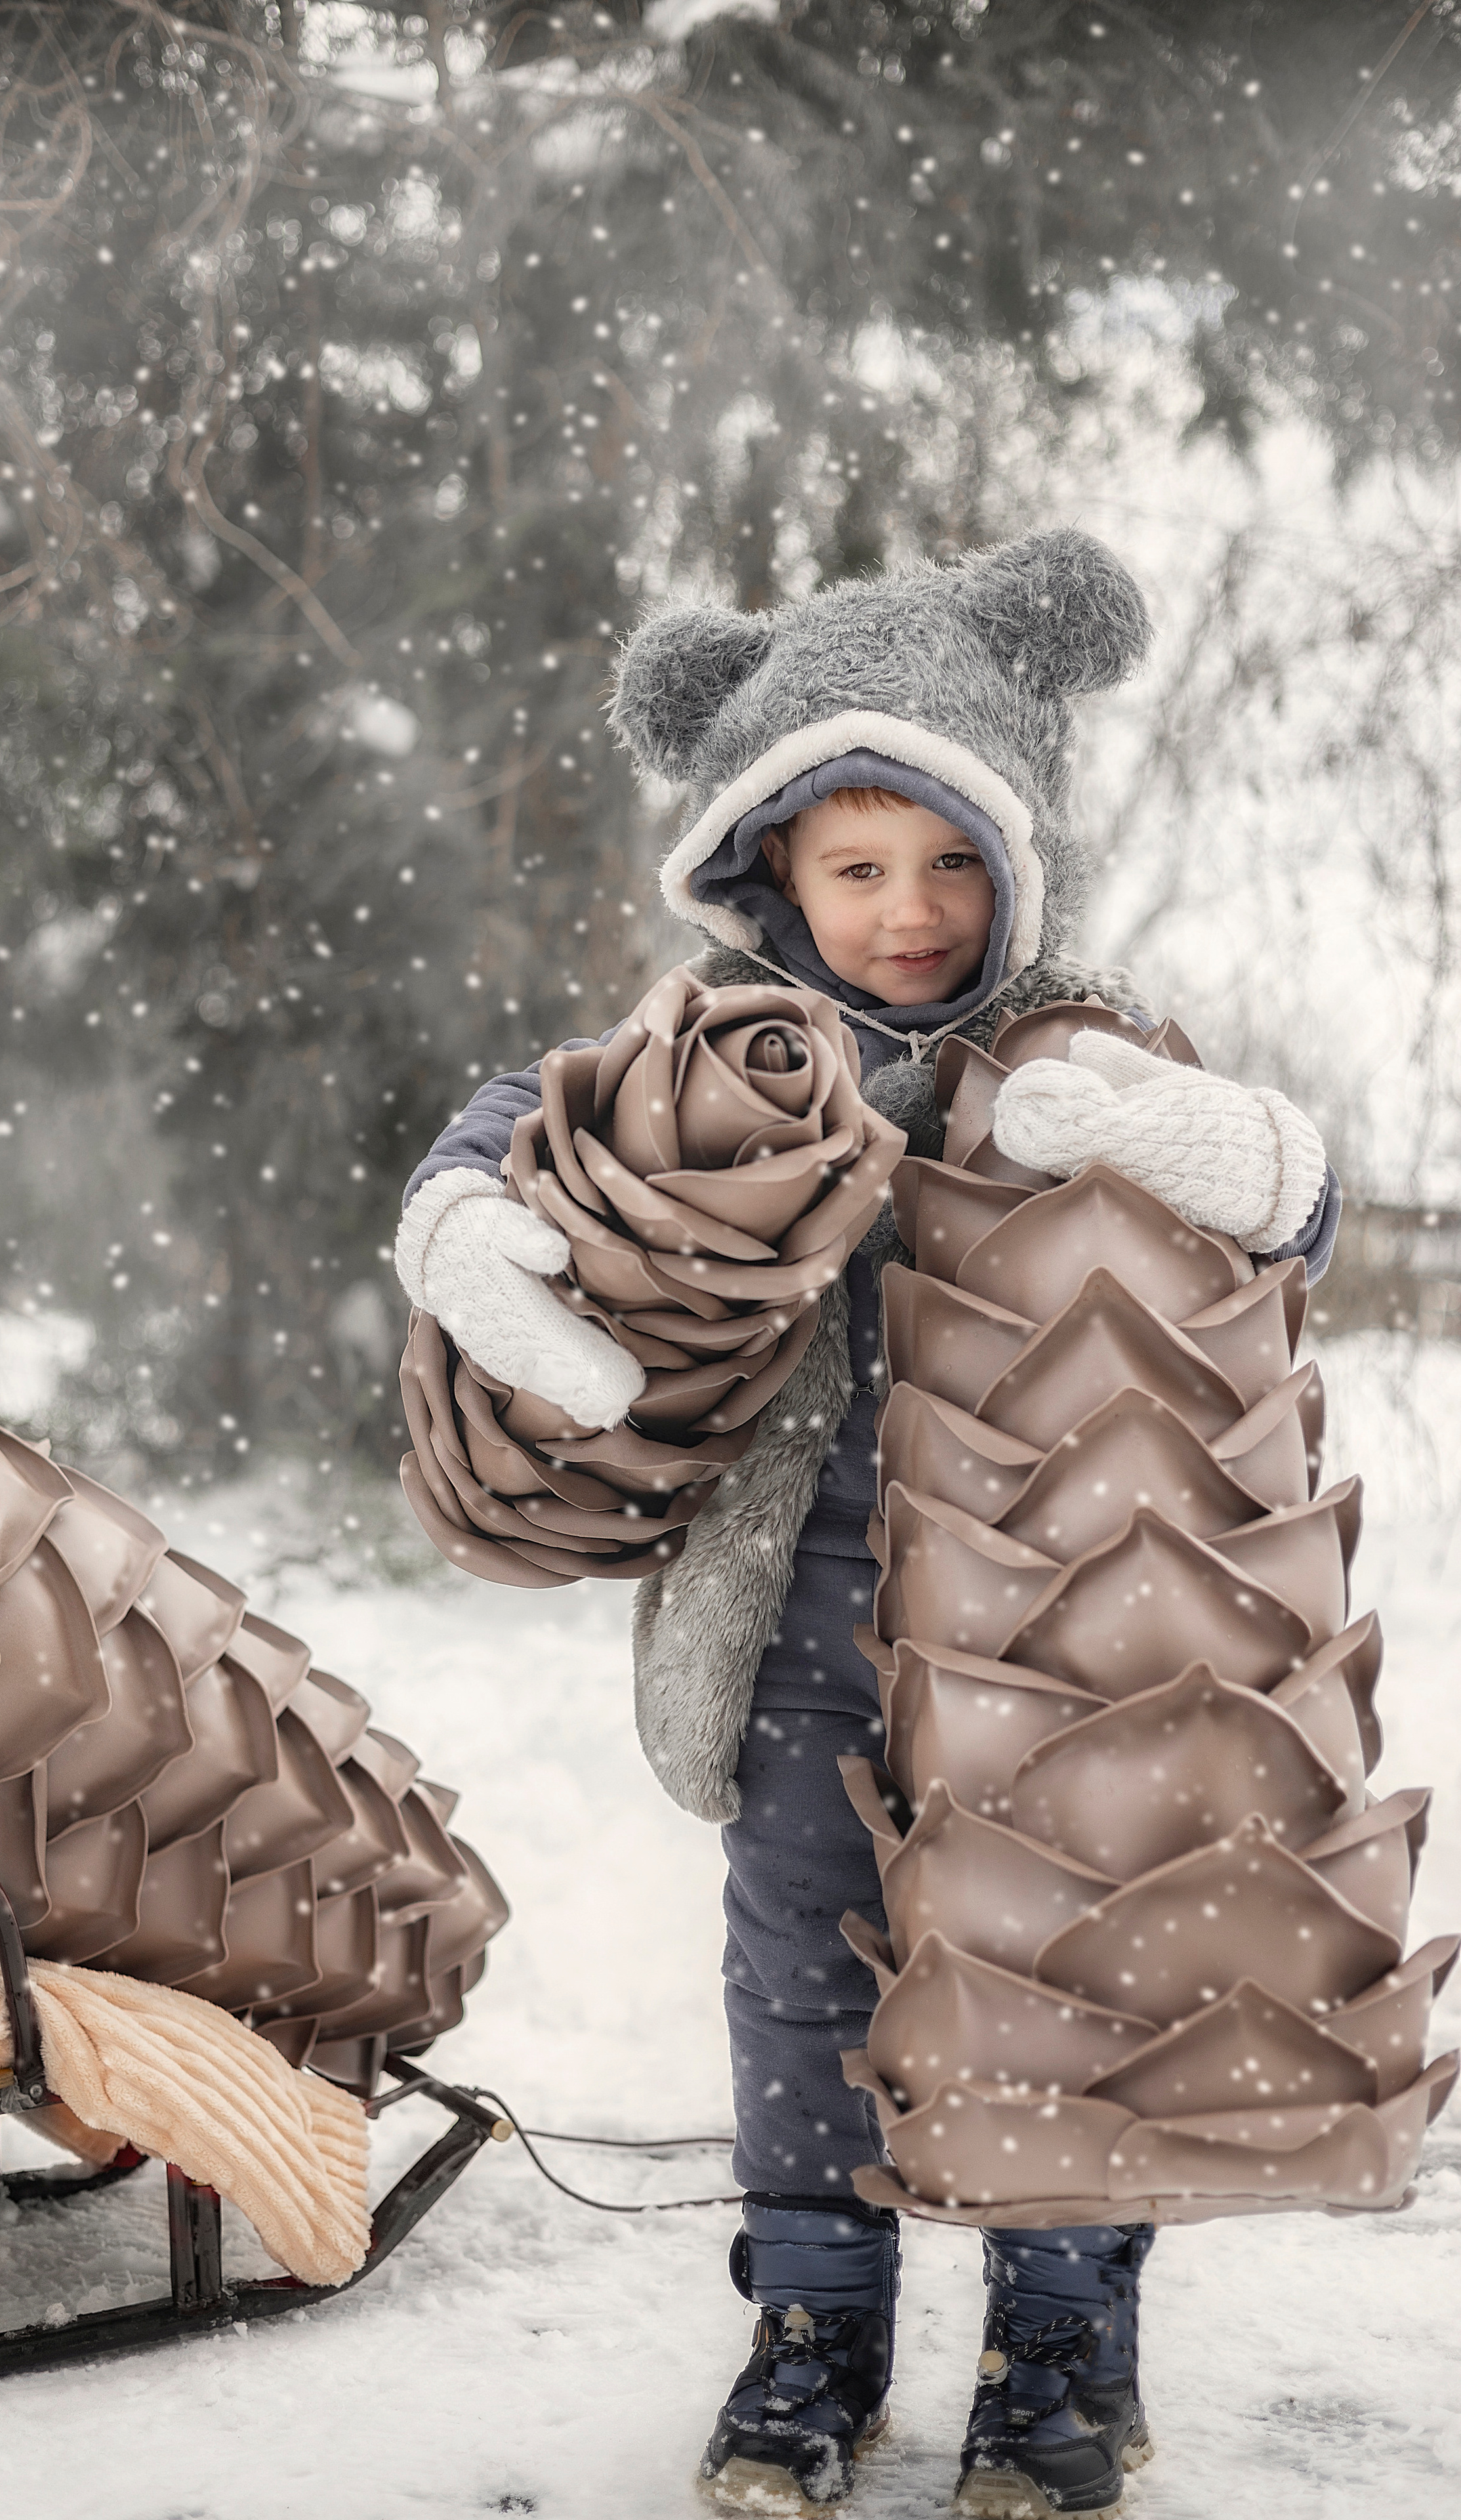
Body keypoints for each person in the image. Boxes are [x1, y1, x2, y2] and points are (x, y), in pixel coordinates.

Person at [393, 531, 1339, 2520]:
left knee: (1060, 1971)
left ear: (1016, 851)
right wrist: (470, 1229)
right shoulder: (716, 1055)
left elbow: (1293, 1198)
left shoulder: (1085, 1032)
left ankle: (1063, 2344)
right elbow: (517, 1125)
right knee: (807, 1968)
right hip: (802, 1609)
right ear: (773, 872)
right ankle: (817, 2332)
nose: (908, 913)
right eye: (856, 865)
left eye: (949, 858)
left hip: (1067, 1642)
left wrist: (1179, 1140)